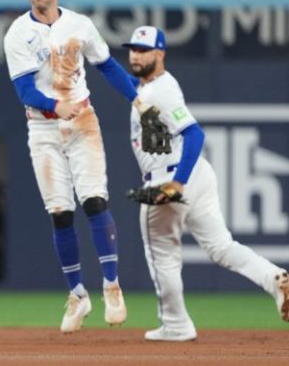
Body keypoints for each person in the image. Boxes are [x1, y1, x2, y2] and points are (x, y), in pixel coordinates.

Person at [3, 0, 162, 333]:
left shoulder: (80, 24)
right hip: (42, 127)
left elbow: (106, 65)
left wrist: (138, 100)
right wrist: (56, 105)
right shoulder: (16, 33)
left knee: (94, 201)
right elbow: (24, 89)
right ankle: (77, 294)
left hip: (82, 122)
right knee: (59, 212)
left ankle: (111, 285)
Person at [122, 25, 289, 341]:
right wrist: (95, 59)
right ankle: (275, 279)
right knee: (221, 247)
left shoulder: (160, 89)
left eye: (142, 49)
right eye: (132, 48)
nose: (135, 54)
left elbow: (195, 134)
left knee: (162, 255)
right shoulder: (148, 88)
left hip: (170, 179)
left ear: (160, 53)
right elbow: (126, 84)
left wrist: (178, 183)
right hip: (197, 172)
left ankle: (176, 324)